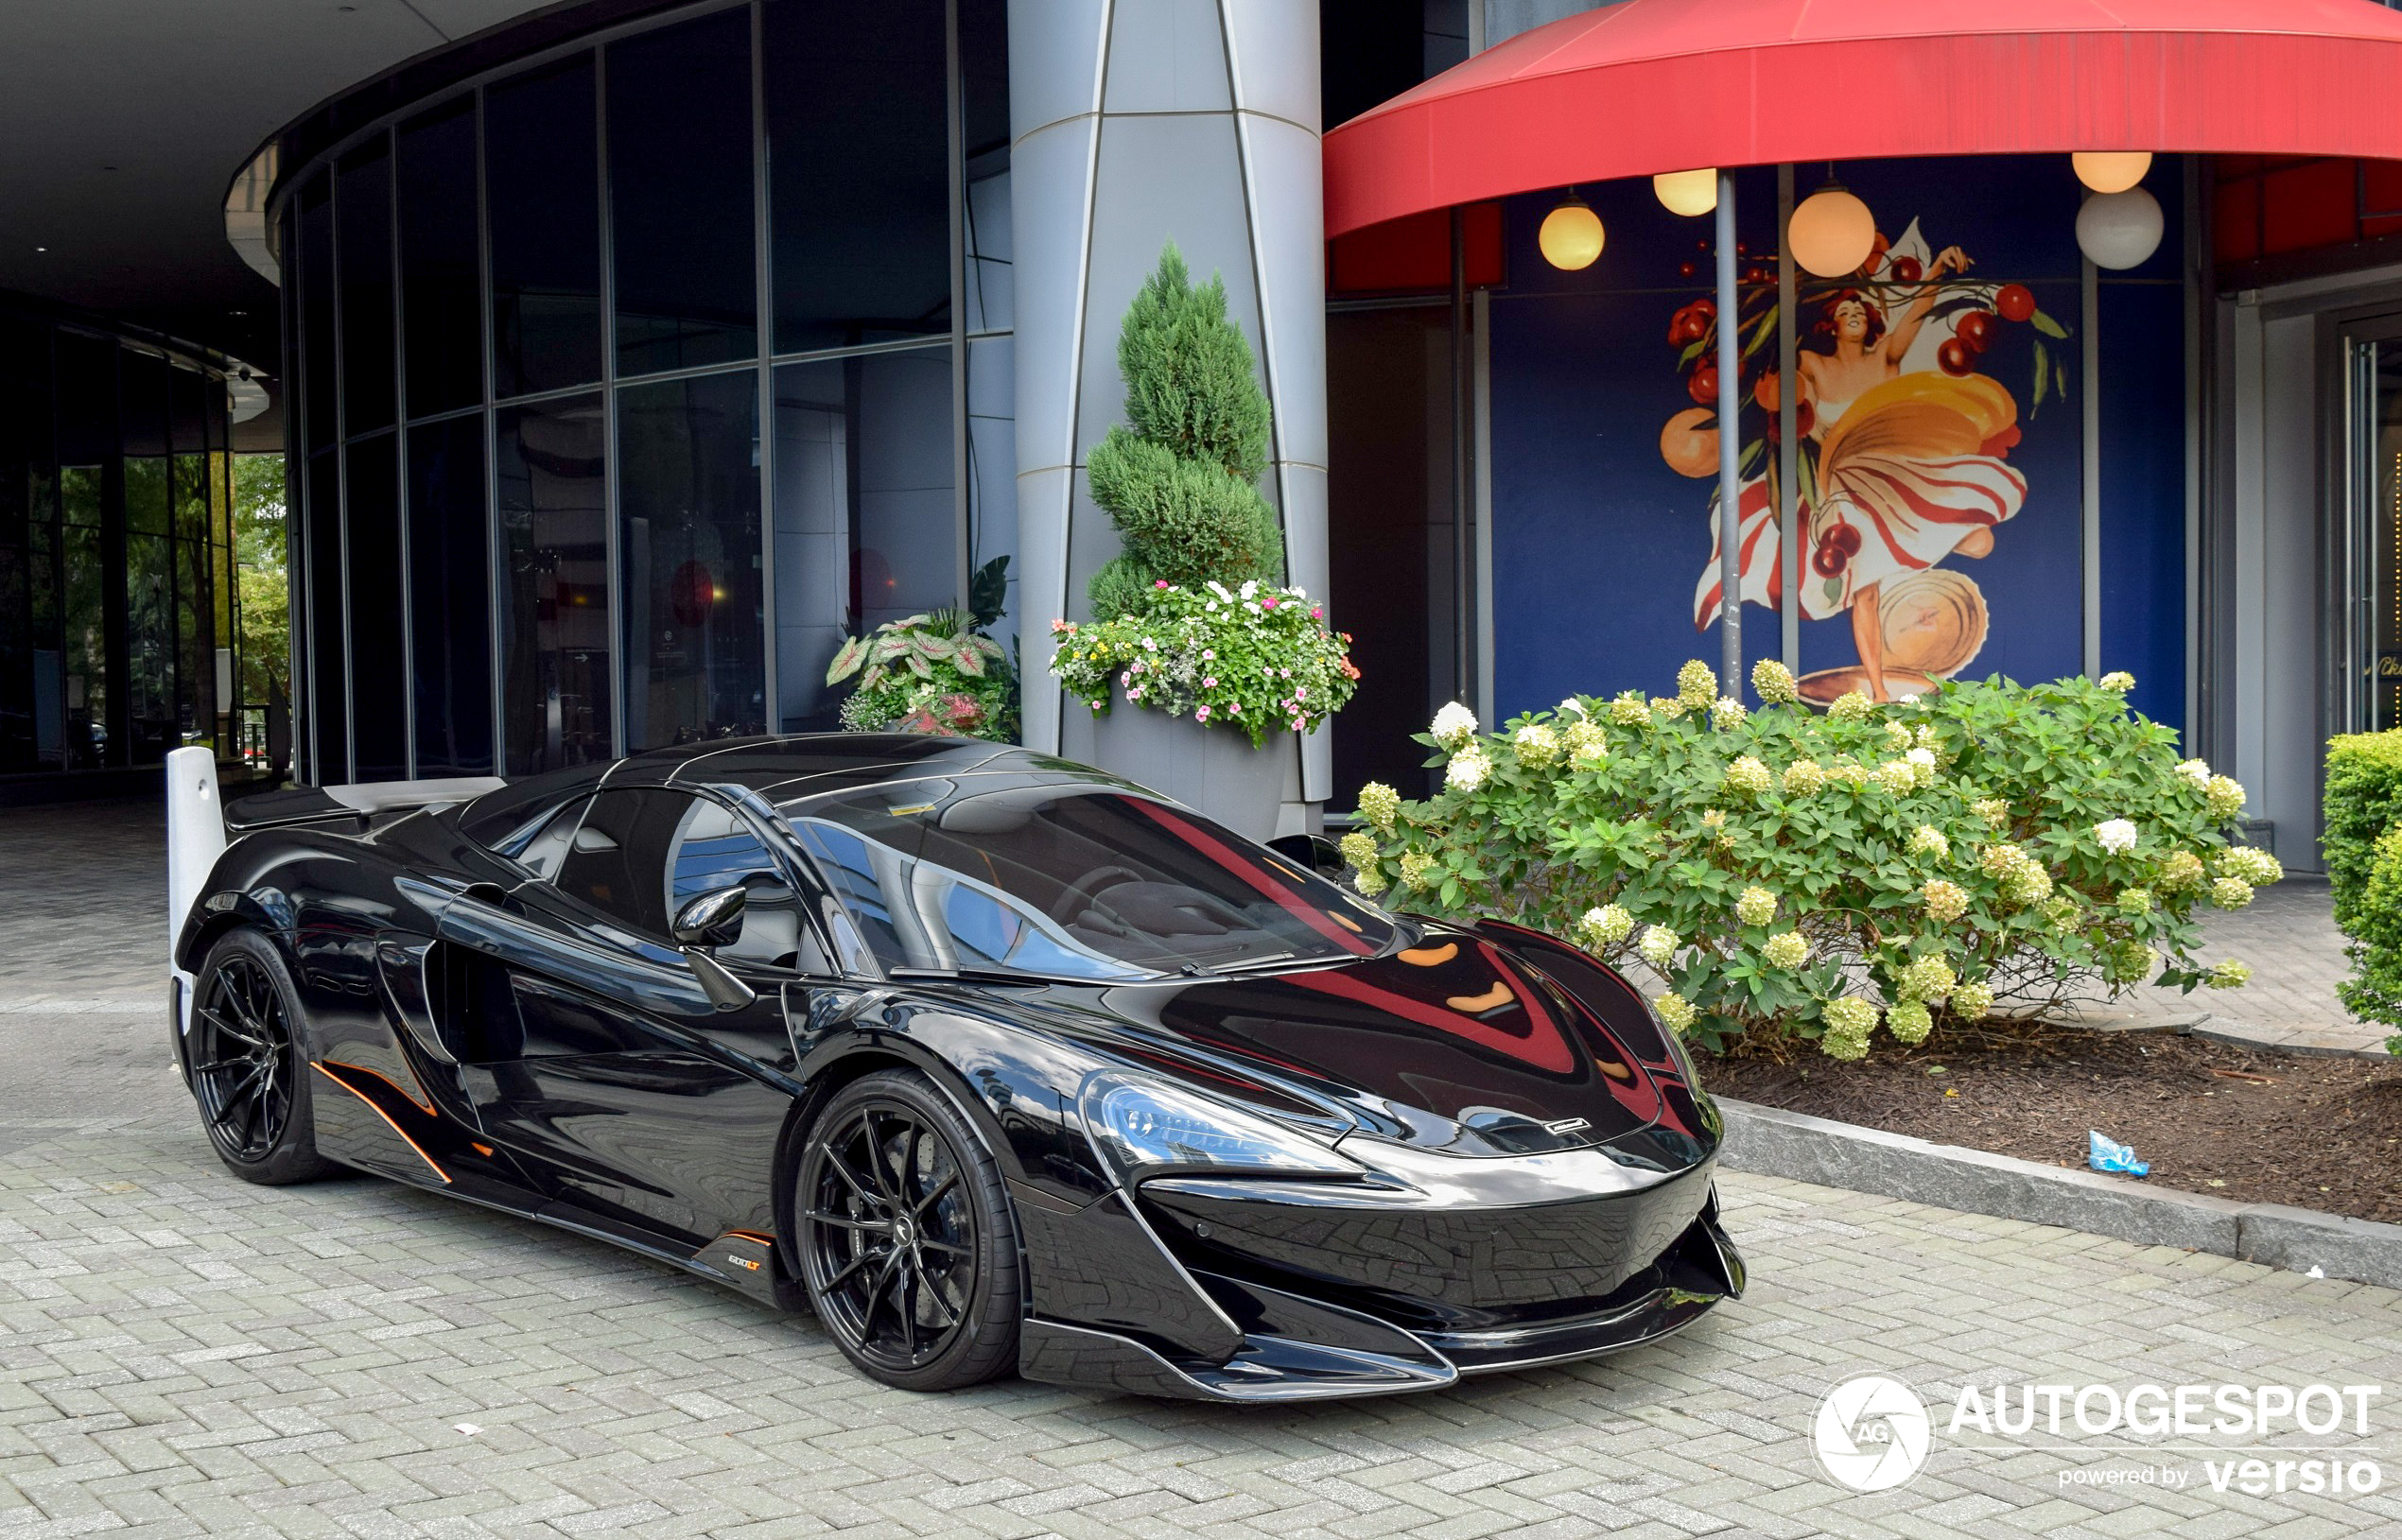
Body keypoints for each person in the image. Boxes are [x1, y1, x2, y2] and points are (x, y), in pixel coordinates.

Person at [1693, 245, 2025, 700]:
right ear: (1832, 322)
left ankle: (1921, 594)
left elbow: (1915, 318)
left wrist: (1936, 272)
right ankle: (1878, 689)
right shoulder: (1811, 363)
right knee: (1863, 591)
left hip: (1894, 476)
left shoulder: (1885, 359)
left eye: (1859, 308)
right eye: (1843, 308)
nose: (1852, 312)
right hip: (1841, 486)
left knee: (1980, 541)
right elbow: (1784, 393)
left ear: (1870, 320)